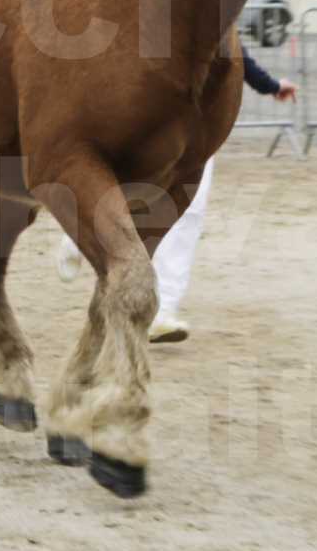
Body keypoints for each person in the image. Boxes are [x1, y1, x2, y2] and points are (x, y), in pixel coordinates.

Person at [56, 52, 298, 342]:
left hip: (198, 124)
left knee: (189, 213)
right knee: (127, 191)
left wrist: (269, 85)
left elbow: (230, 45)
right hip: (148, 113)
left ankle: (163, 310)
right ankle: (78, 235)